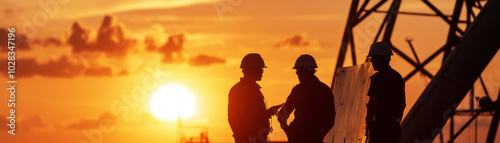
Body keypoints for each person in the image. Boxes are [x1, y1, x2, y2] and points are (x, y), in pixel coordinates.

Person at [277, 54, 336, 143]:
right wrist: (320, 135)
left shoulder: (298, 90)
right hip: (316, 136)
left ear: (302, 72)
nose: (297, 75)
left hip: (297, 137)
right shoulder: (326, 90)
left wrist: (289, 132)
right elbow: (331, 120)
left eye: (297, 72)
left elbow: (282, 115)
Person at [228, 53, 283, 143]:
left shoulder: (253, 89)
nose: (262, 72)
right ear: (252, 70)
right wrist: (243, 136)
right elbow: (237, 117)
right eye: (260, 69)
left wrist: (268, 112)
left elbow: (254, 115)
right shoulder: (240, 90)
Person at [365, 42, 406, 143]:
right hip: (394, 129)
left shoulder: (377, 78)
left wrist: (369, 125)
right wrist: (396, 122)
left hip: (380, 129)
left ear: (377, 59)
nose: (371, 62)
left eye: (372, 59)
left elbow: (373, 104)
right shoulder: (398, 77)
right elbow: (403, 104)